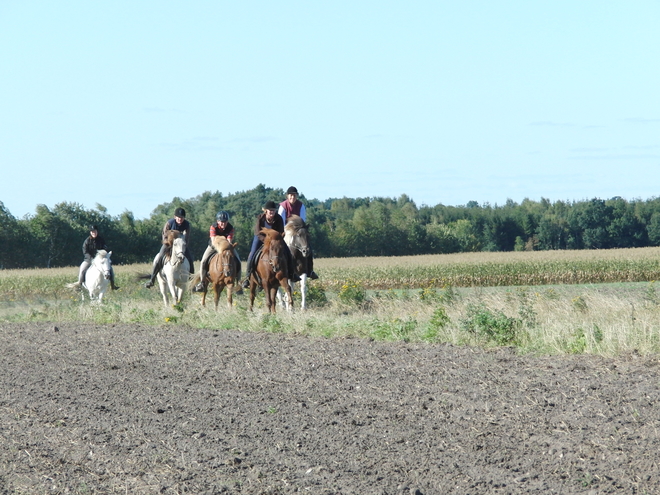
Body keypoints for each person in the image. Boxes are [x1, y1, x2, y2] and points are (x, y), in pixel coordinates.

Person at [242, 200, 299, 289]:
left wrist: (276, 241)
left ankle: (292, 274)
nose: (272, 212)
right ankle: (247, 277)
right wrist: (266, 241)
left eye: (273, 210)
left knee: (288, 252)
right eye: (270, 210)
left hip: (275, 240)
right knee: (252, 254)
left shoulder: (279, 218)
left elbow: (281, 232)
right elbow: (258, 232)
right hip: (260, 238)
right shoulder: (260, 218)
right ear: (266, 211)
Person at [145, 207, 194, 288]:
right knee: (159, 258)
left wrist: (183, 246)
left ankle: (191, 280)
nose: (180, 219)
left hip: (180, 245)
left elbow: (187, 238)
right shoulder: (169, 223)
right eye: (178, 218)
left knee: (190, 259)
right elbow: (164, 235)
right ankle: (152, 280)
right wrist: (169, 245)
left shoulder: (187, 225)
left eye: (182, 218)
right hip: (168, 244)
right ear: (175, 217)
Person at [194, 211, 242, 293]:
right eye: (221, 222)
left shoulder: (230, 228)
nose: (223, 223)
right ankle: (202, 283)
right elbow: (213, 240)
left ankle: (239, 284)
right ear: (217, 221)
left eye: (225, 222)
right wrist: (221, 246)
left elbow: (229, 240)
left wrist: (226, 246)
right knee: (203, 262)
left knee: (238, 261)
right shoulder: (213, 227)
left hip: (226, 247)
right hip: (213, 246)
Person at [278, 186, 318, 279]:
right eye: (291, 195)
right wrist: (287, 231)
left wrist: (298, 230)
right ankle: (280, 267)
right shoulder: (282, 206)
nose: (293, 197)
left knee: (308, 247)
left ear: (297, 196)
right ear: (288, 196)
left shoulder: (301, 206)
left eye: (294, 195)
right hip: (286, 230)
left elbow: (302, 220)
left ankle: (310, 270)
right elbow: (281, 221)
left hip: (298, 230)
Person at [72, 225, 119, 290]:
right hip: (89, 260)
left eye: (95, 231)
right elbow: (85, 251)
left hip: (100, 260)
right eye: (92, 232)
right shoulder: (87, 241)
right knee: (82, 269)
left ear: (97, 231)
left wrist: (105, 253)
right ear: (90, 232)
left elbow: (105, 248)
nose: (93, 233)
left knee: (110, 269)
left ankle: (112, 285)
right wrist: (91, 259)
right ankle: (80, 284)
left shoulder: (101, 240)